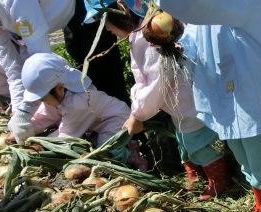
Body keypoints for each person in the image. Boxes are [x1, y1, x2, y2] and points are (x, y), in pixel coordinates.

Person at [147, 0, 261, 211]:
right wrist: (174, 45)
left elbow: (201, 9)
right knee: (243, 155)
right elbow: (194, 36)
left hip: (253, 95)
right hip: (227, 97)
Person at [85, 0, 226, 198]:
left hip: (188, 102)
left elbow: (154, 84)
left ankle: (219, 180)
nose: (106, 27)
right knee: (184, 142)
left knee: (195, 143)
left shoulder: (149, 40)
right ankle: (196, 176)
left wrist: (138, 115)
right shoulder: (141, 35)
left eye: (103, 19)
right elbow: (144, 79)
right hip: (179, 104)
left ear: (121, 9)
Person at [22, 52, 147, 171]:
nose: (43, 102)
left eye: (43, 98)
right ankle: (125, 144)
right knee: (95, 144)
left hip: (115, 120)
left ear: (60, 88)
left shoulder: (79, 102)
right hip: (96, 122)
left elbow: (67, 135)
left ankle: (131, 153)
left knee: (106, 151)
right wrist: (26, 129)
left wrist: (40, 144)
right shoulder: (59, 94)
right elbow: (45, 115)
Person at [0, 0, 75, 143]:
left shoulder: (16, 2)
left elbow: (42, 65)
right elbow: (12, 69)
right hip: (49, 22)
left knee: (96, 67)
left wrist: (25, 113)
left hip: (77, 8)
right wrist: (17, 110)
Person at [63, 0, 131, 105]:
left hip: (90, 8)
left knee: (104, 61)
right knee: (75, 50)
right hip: (70, 12)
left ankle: (123, 110)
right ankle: (95, 105)